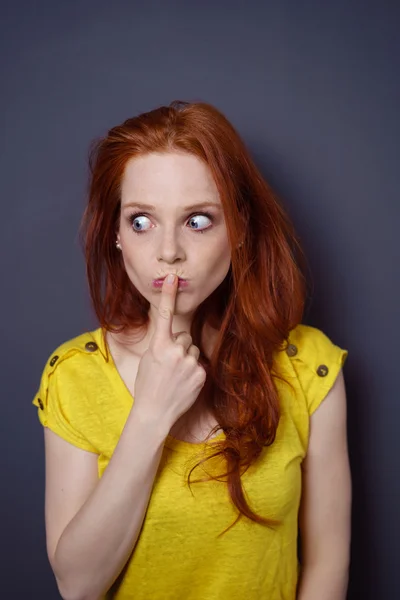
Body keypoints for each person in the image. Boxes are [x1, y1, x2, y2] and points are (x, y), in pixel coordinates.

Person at [32, 100, 351, 600]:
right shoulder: (74, 376)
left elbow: (328, 564)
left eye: (197, 220)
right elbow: (77, 586)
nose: (168, 251)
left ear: (239, 228)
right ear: (115, 232)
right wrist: (151, 415)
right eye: (142, 221)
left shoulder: (309, 366)